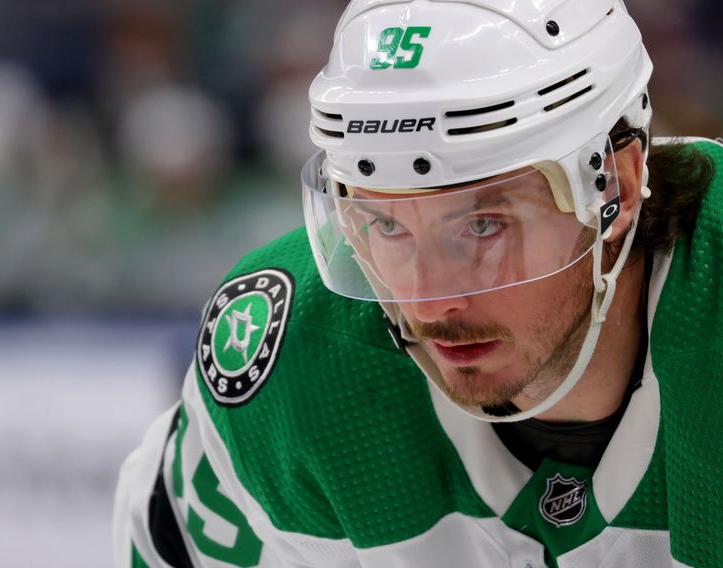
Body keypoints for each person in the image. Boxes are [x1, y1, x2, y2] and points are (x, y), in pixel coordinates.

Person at [113, 1, 723, 566]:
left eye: (484, 225)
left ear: (612, 185)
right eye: (385, 224)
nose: (428, 297)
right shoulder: (294, 357)